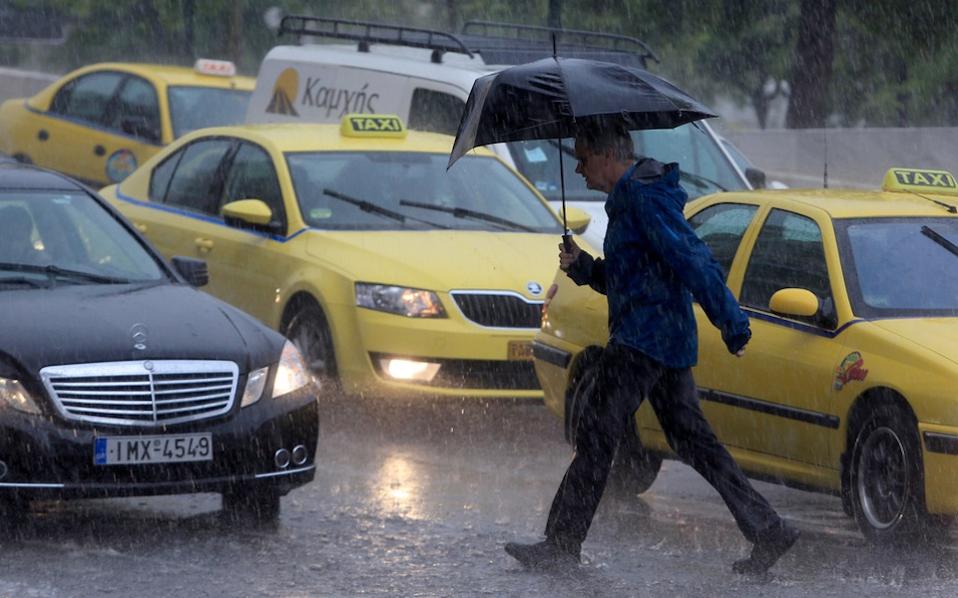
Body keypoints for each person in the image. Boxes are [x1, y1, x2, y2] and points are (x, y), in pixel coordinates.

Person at [504, 120, 799, 575]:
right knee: (694, 442)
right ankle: (767, 528)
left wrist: (733, 324)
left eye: (583, 158)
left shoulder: (644, 199)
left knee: (596, 434)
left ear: (607, 156)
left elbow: (691, 258)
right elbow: (632, 278)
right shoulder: (630, 202)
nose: (579, 169)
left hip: (644, 339)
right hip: (661, 338)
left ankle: (561, 544)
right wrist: (584, 267)